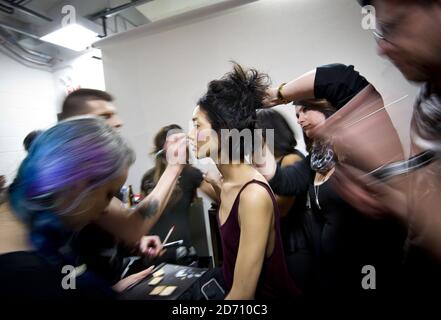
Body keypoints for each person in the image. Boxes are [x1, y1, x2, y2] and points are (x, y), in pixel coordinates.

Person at [0, 117, 180, 299]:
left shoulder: (40, 239)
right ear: (78, 184)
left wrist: (110, 290)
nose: (104, 209)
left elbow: (68, 285)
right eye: (108, 194)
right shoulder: (27, 277)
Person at [189, 63, 300, 300]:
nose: (191, 135)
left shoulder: (253, 196)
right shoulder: (228, 185)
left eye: (197, 125)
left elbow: (242, 294)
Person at [57, 89, 186, 282]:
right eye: (105, 116)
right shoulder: (74, 174)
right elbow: (132, 225)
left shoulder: (96, 170)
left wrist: (134, 241)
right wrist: (173, 168)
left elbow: (122, 225)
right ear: (77, 124)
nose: (119, 122)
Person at [140, 124, 218, 264]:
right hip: (177, 252)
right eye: (176, 140)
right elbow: (221, 199)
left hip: (154, 250)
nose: (184, 143)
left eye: (183, 140)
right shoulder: (189, 173)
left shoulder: (148, 177)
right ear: (163, 148)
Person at [256, 109, 311, 289]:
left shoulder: (291, 159)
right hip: (279, 240)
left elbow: (283, 207)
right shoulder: (272, 163)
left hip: (294, 242)